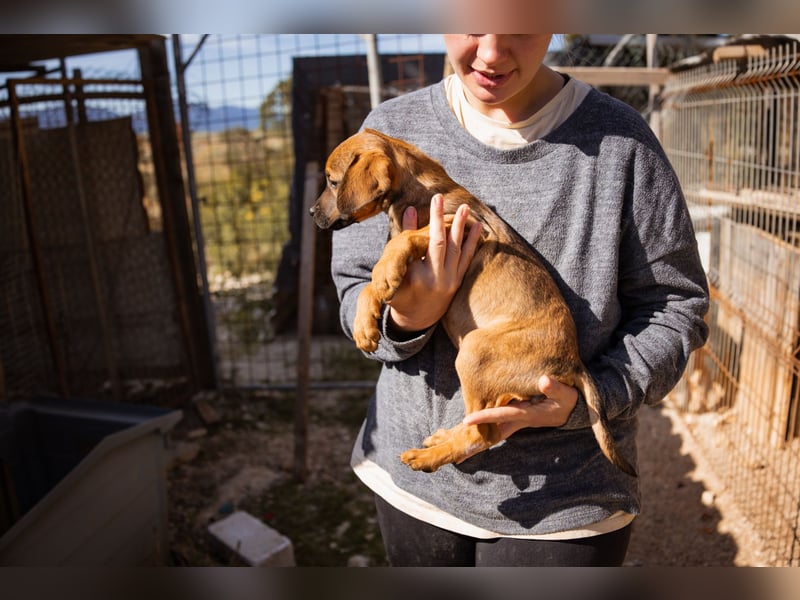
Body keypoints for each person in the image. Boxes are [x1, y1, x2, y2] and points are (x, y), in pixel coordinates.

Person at [330, 34, 709, 566]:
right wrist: (407, 319)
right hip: (411, 492)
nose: (490, 53)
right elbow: (353, 288)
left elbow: (676, 304)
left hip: (567, 504)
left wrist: (589, 398)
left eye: (520, 26)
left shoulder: (623, 144)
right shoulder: (388, 136)